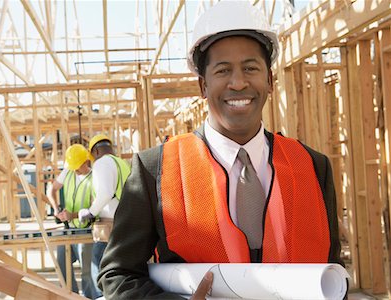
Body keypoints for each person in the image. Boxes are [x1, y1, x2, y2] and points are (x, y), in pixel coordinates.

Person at [98, 1, 344, 299]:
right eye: (223, 70)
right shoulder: (155, 170)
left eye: (250, 68)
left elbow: (333, 271)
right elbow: (117, 274)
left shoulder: (313, 167)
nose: (238, 83)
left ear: (269, 80)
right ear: (203, 86)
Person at [78, 134, 131, 299]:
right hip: (127, 222)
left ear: (96, 150)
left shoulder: (101, 163)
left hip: (110, 226)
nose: (92, 160)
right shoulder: (121, 163)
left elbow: (106, 193)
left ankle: (101, 297)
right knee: (121, 267)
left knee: (98, 264)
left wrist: (91, 212)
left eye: (92, 156)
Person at [47, 144, 99, 299]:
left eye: (78, 166)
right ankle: (71, 296)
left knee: (87, 272)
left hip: (86, 231)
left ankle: (90, 297)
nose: (75, 170)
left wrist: (73, 215)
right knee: (61, 264)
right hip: (68, 229)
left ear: (86, 162)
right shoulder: (68, 171)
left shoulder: (94, 178)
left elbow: (94, 208)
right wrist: (56, 208)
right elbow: (52, 189)